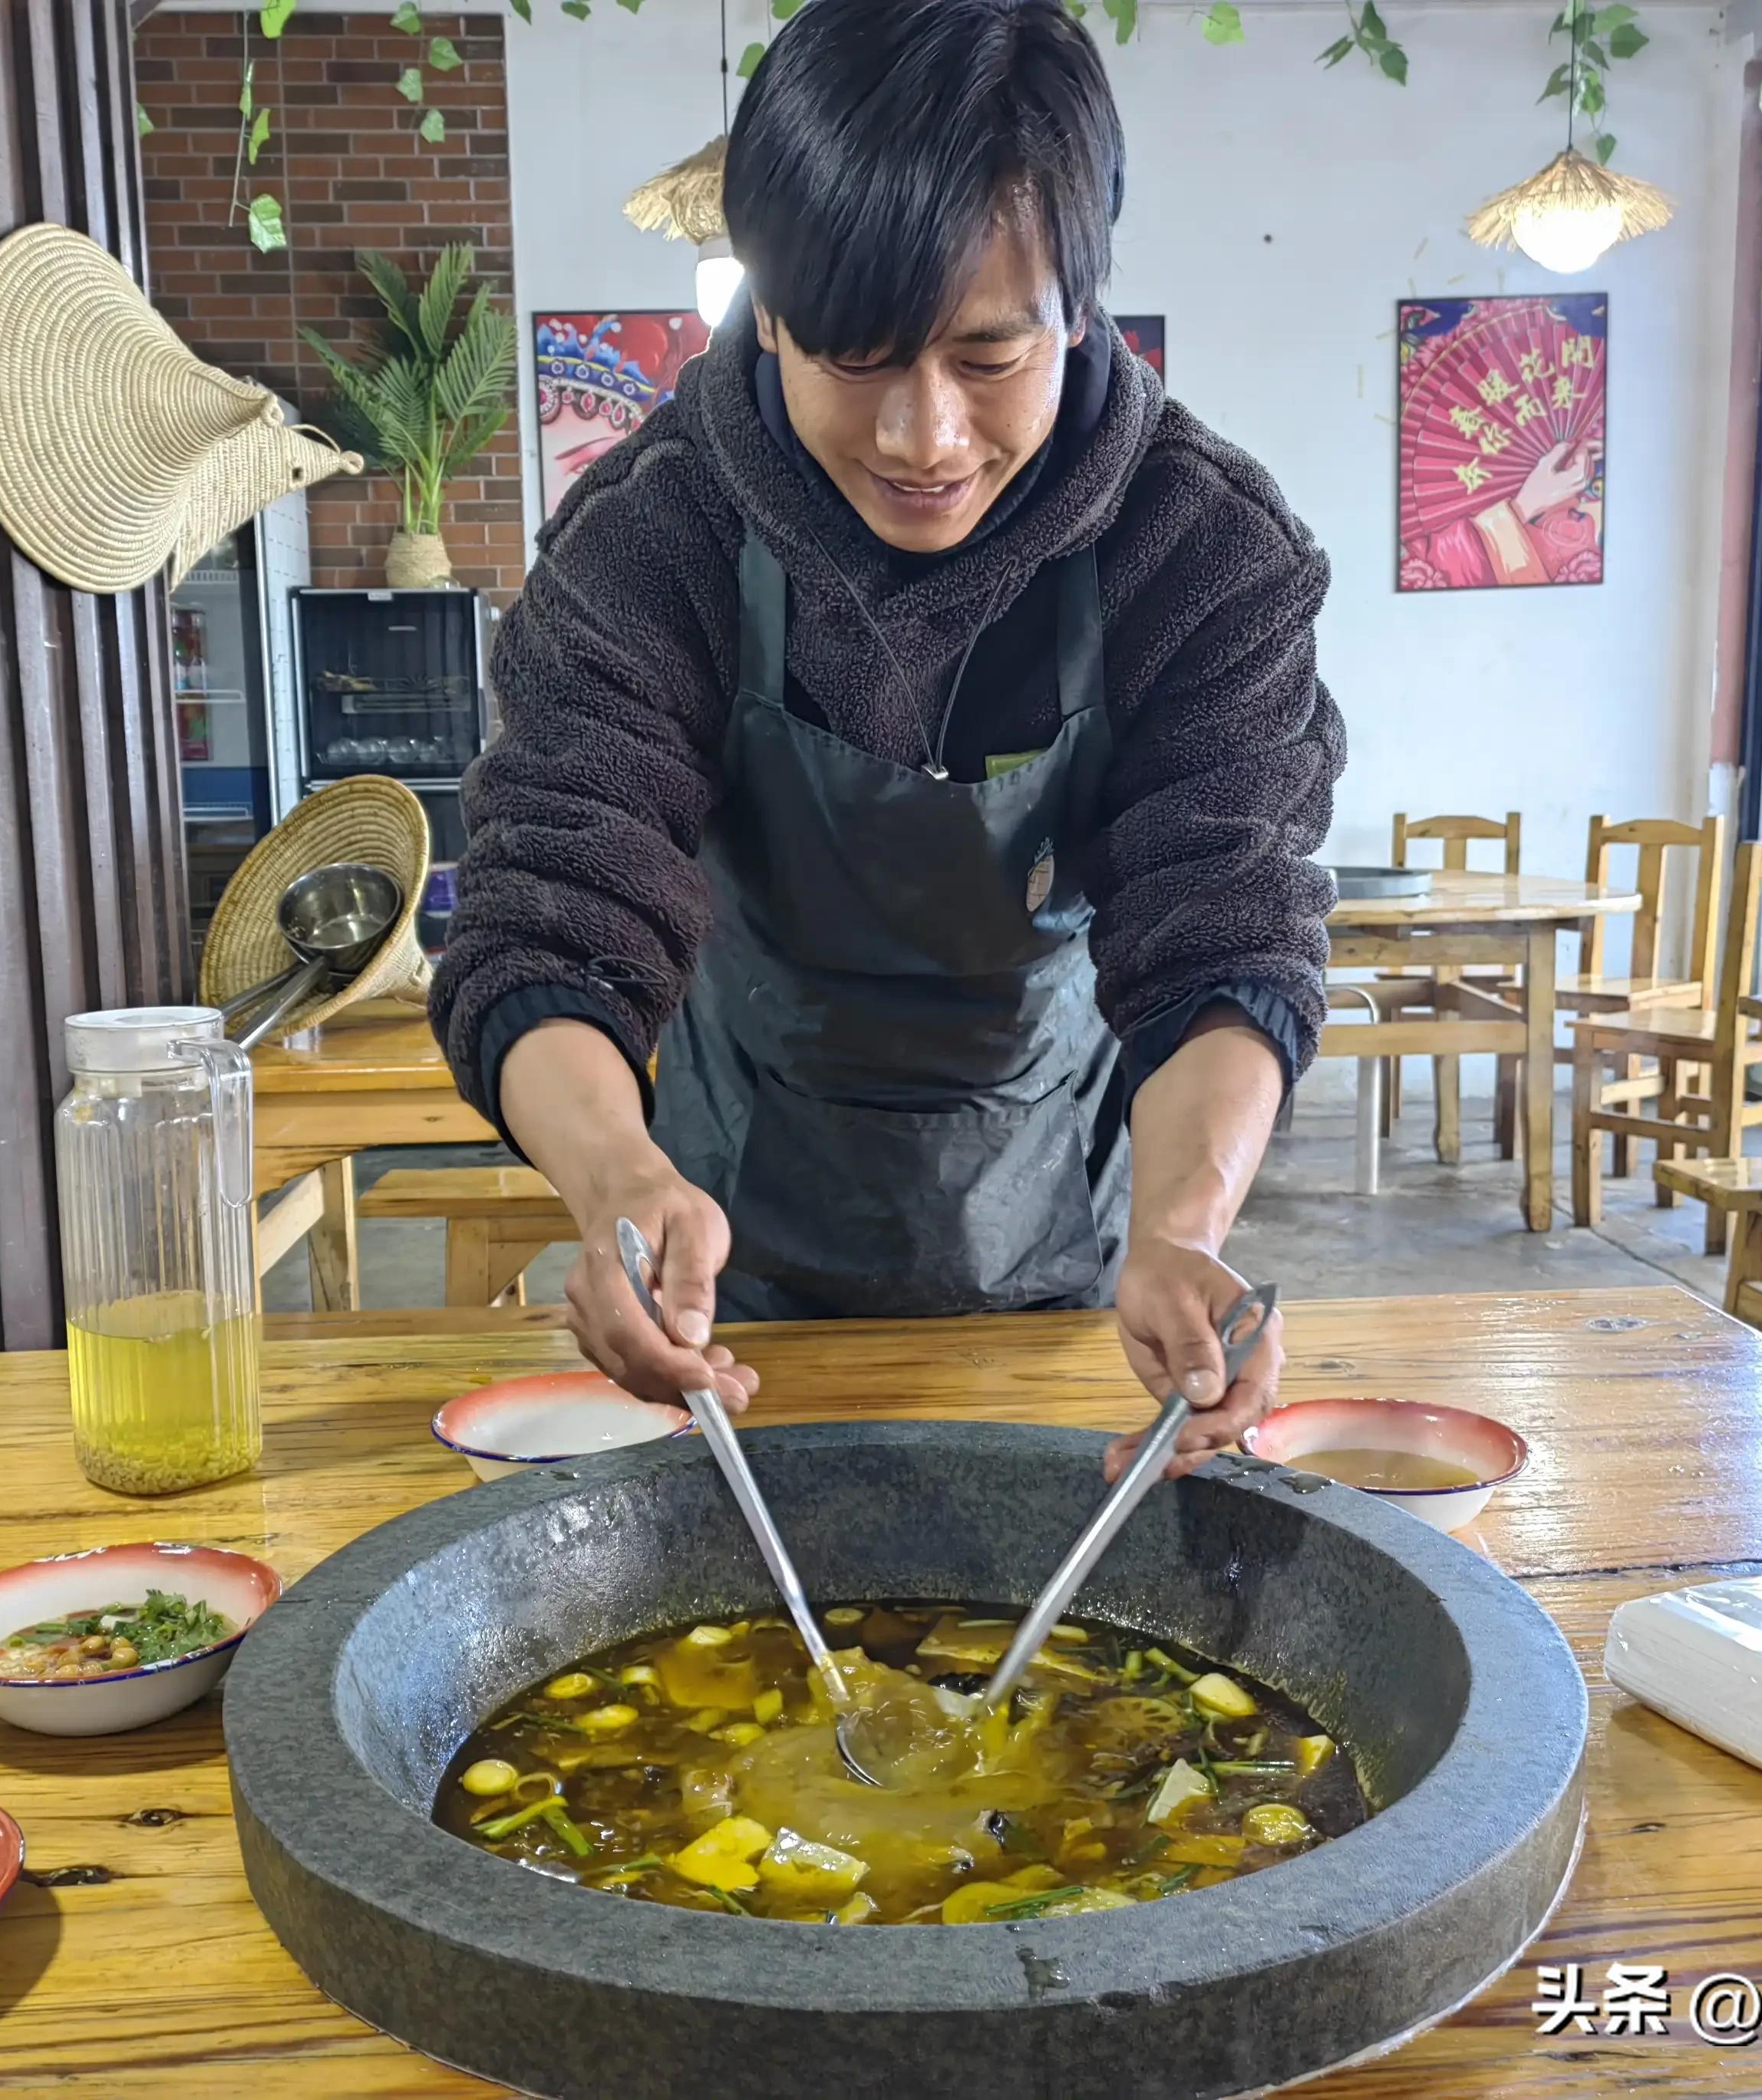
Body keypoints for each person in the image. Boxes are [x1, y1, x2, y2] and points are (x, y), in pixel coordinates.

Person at [428, 0, 1341, 1479]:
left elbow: (1223, 926)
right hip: (725, 1283)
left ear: (1079, 309)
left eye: (988, 357)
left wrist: (1183, 1229)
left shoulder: (1196, 548)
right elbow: (549, 914)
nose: (925, 439)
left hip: (1081, 1271)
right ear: (766, 312)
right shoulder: (652, 537)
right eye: (855, 356)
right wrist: (612, 1184)